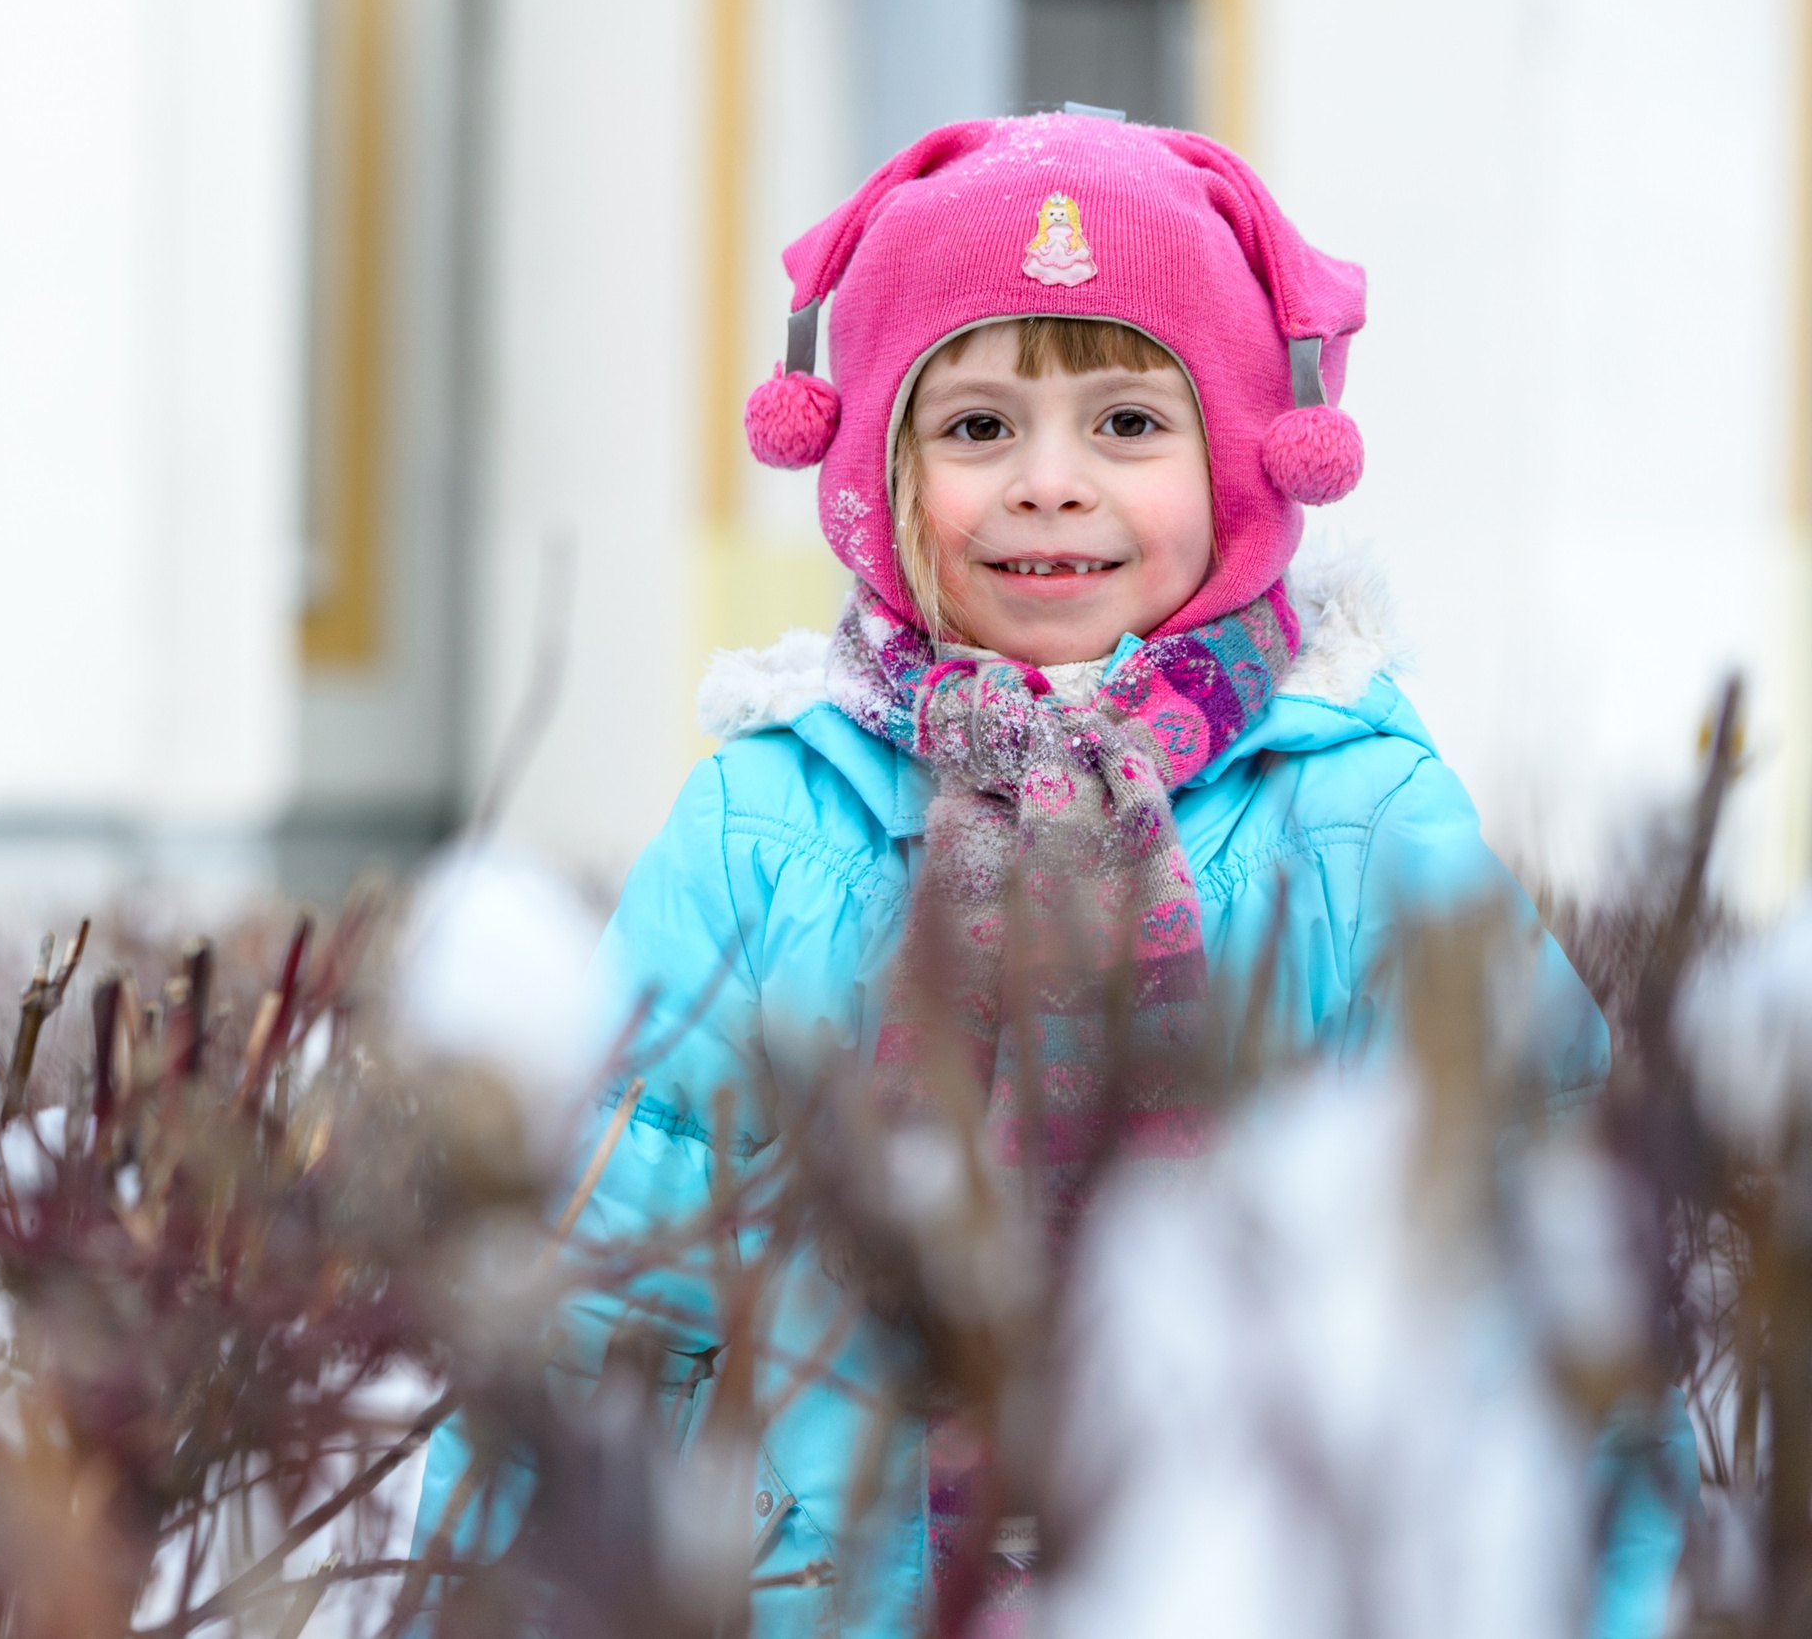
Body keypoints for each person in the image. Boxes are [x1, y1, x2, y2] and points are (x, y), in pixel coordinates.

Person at [408, 113, 1691, 1636]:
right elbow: (606, 1294)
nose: (1050, 483)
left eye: (1130, 425)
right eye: (976, 428)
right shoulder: (763, 828)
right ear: (877, 474)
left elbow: (1538, 1290)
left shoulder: (1356, 822)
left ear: (1245, 466)